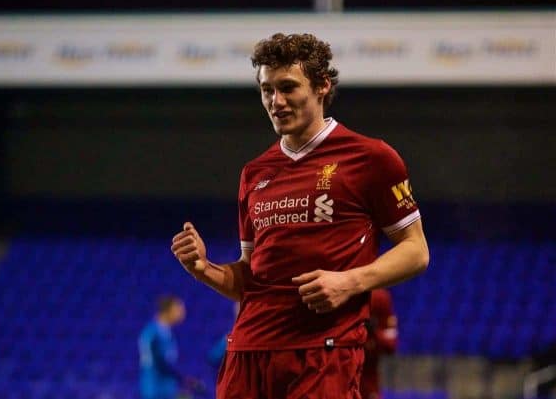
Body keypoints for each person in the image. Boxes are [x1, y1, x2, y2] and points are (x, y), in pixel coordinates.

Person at [171, 32, 429, 399]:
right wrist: (203, 268)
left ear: (322, 85)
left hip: (322, 354)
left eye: (288, 87)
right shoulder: (254, 173)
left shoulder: (372, 158)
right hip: (246, 354)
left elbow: (416, 250)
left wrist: (349, 282)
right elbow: (250, 279)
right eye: (266, 90)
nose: (275, 101)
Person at [138, 295, 186, 399]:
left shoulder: (166, 331)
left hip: (166, 388)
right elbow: (160, 360)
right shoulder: (153, 333)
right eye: (178, 309)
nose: (182, 313)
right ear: (168, 311)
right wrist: (182, 377)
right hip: (155, 388)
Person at [361, 289, 398, 399]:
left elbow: (391, 344)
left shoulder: (380, 297)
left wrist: (374, 334)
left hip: (369, 379)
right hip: (342, 373)